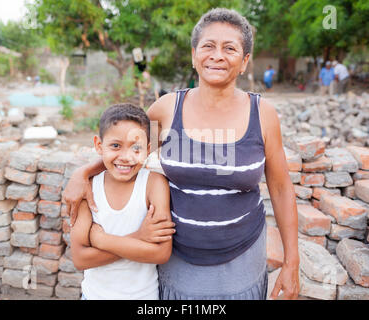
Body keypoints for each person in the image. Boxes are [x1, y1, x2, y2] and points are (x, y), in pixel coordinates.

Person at [63, 8, 299, 300]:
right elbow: (130, 150)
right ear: (193, 55)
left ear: (245, 61)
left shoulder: (262, 114)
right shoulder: (166, 109)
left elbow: (280, 187)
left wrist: (292, 262)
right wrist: (83, 173)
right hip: (178, 259)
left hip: (242, 257)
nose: (217, 55)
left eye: (230, 48)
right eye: (208, 46)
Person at [70, 104, 174, 300]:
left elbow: (161, 253)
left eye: (136, 148)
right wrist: (139, 237)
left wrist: (102, 240)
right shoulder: (89, 189)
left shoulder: (153, 183)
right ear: (99, 145)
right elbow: (80, 258)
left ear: (148, 149)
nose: (126, 157)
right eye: (116, 146)